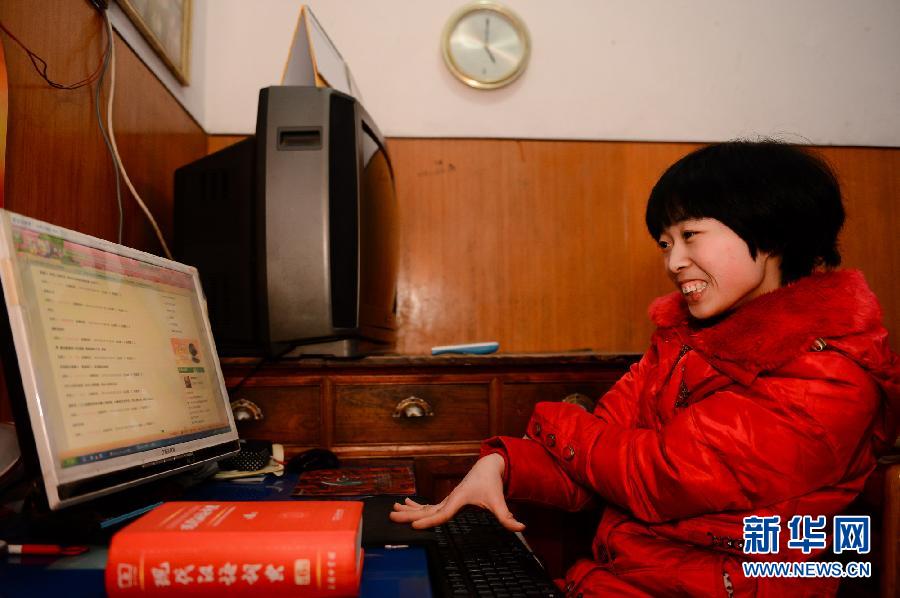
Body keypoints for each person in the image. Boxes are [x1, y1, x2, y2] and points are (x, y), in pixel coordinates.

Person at [391, 140, 900, 596]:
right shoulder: (682, 343)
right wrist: (503, 465)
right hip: (624, 577)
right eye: (665, 242)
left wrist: (554, 421)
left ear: (770, 235)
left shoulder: (830, 374)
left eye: (690, 235)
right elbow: (599, 462)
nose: (673, 261)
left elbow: (656, 474)